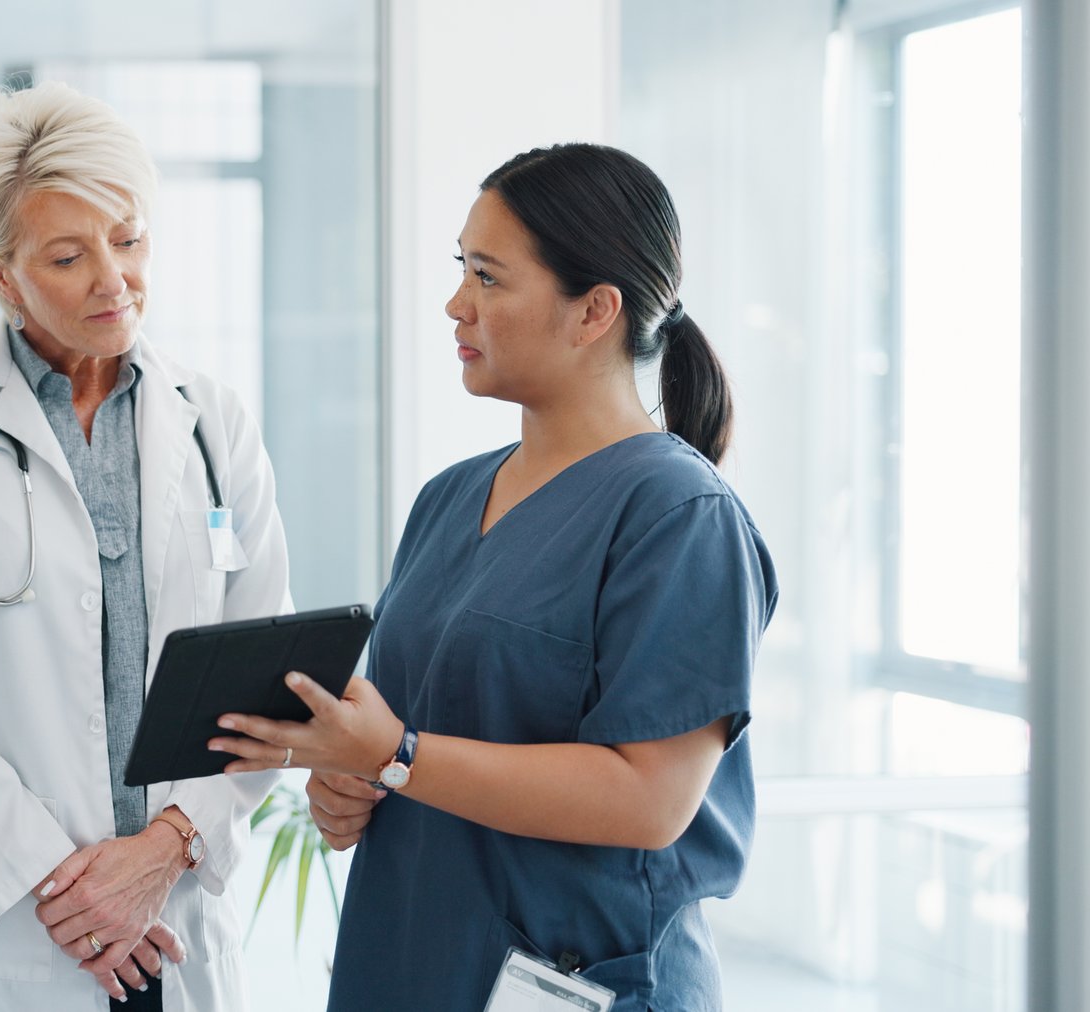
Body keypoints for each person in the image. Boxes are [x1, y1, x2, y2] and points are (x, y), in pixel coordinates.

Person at [208, 143, 778, 1010]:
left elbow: (650, 801)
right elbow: (410, 737)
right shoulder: (450, 498)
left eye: (488, 277)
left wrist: (398, 757)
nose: (455, 304)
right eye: (459, 270)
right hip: (405, 962)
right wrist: (349, 782)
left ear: (594, 312)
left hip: (574, 979)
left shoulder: (679, 516)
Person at [0, 82, 291, 1011]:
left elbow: (266, 671)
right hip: (15, 931)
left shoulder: (213, 419)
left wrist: (169, 846)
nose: (113, 279)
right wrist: (69, 888)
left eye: (128, 239)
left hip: (175, 922)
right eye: (67, 255)